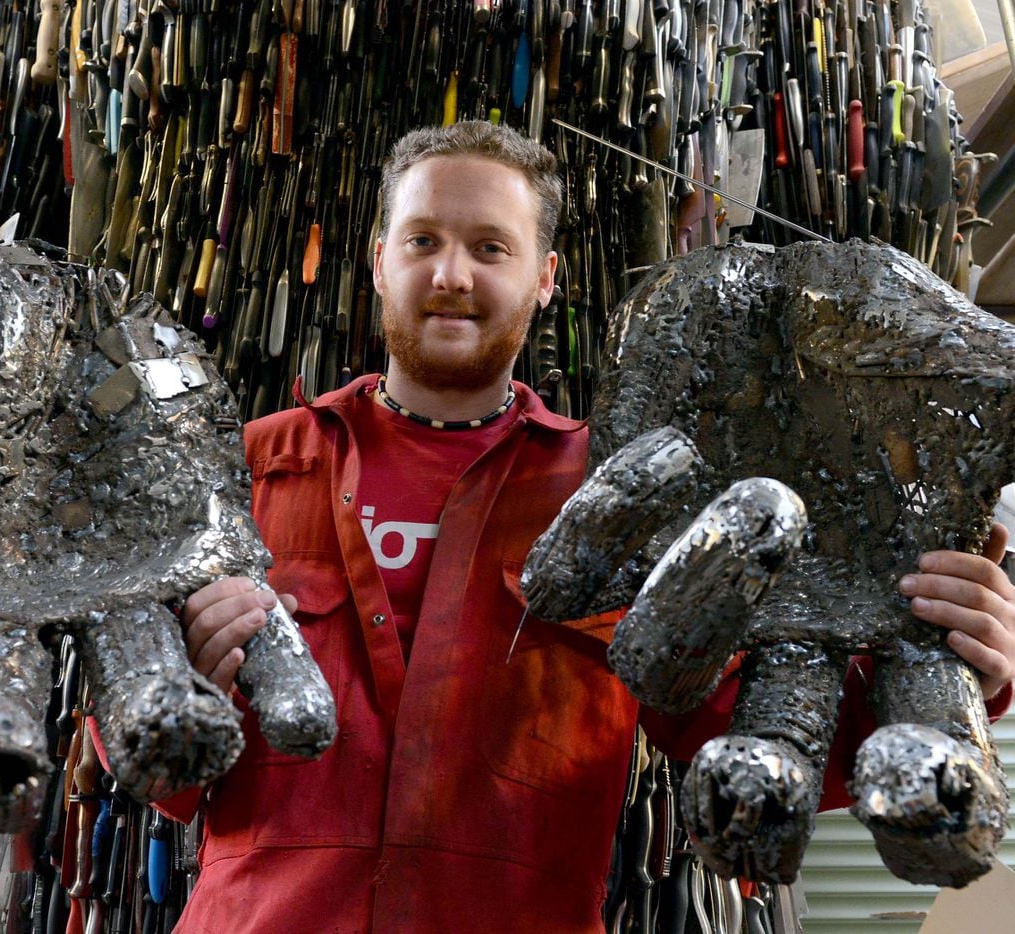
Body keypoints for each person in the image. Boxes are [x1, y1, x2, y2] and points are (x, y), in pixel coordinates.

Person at [171, 121, 1015, 932]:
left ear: (546, 276)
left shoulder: (630, 490)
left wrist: (963, 669)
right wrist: (192, 688)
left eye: (491, 247)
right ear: (378, 259)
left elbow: (733, 729)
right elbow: (150, 763)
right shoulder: (246, 469)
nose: (452, 274)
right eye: (422, 240)